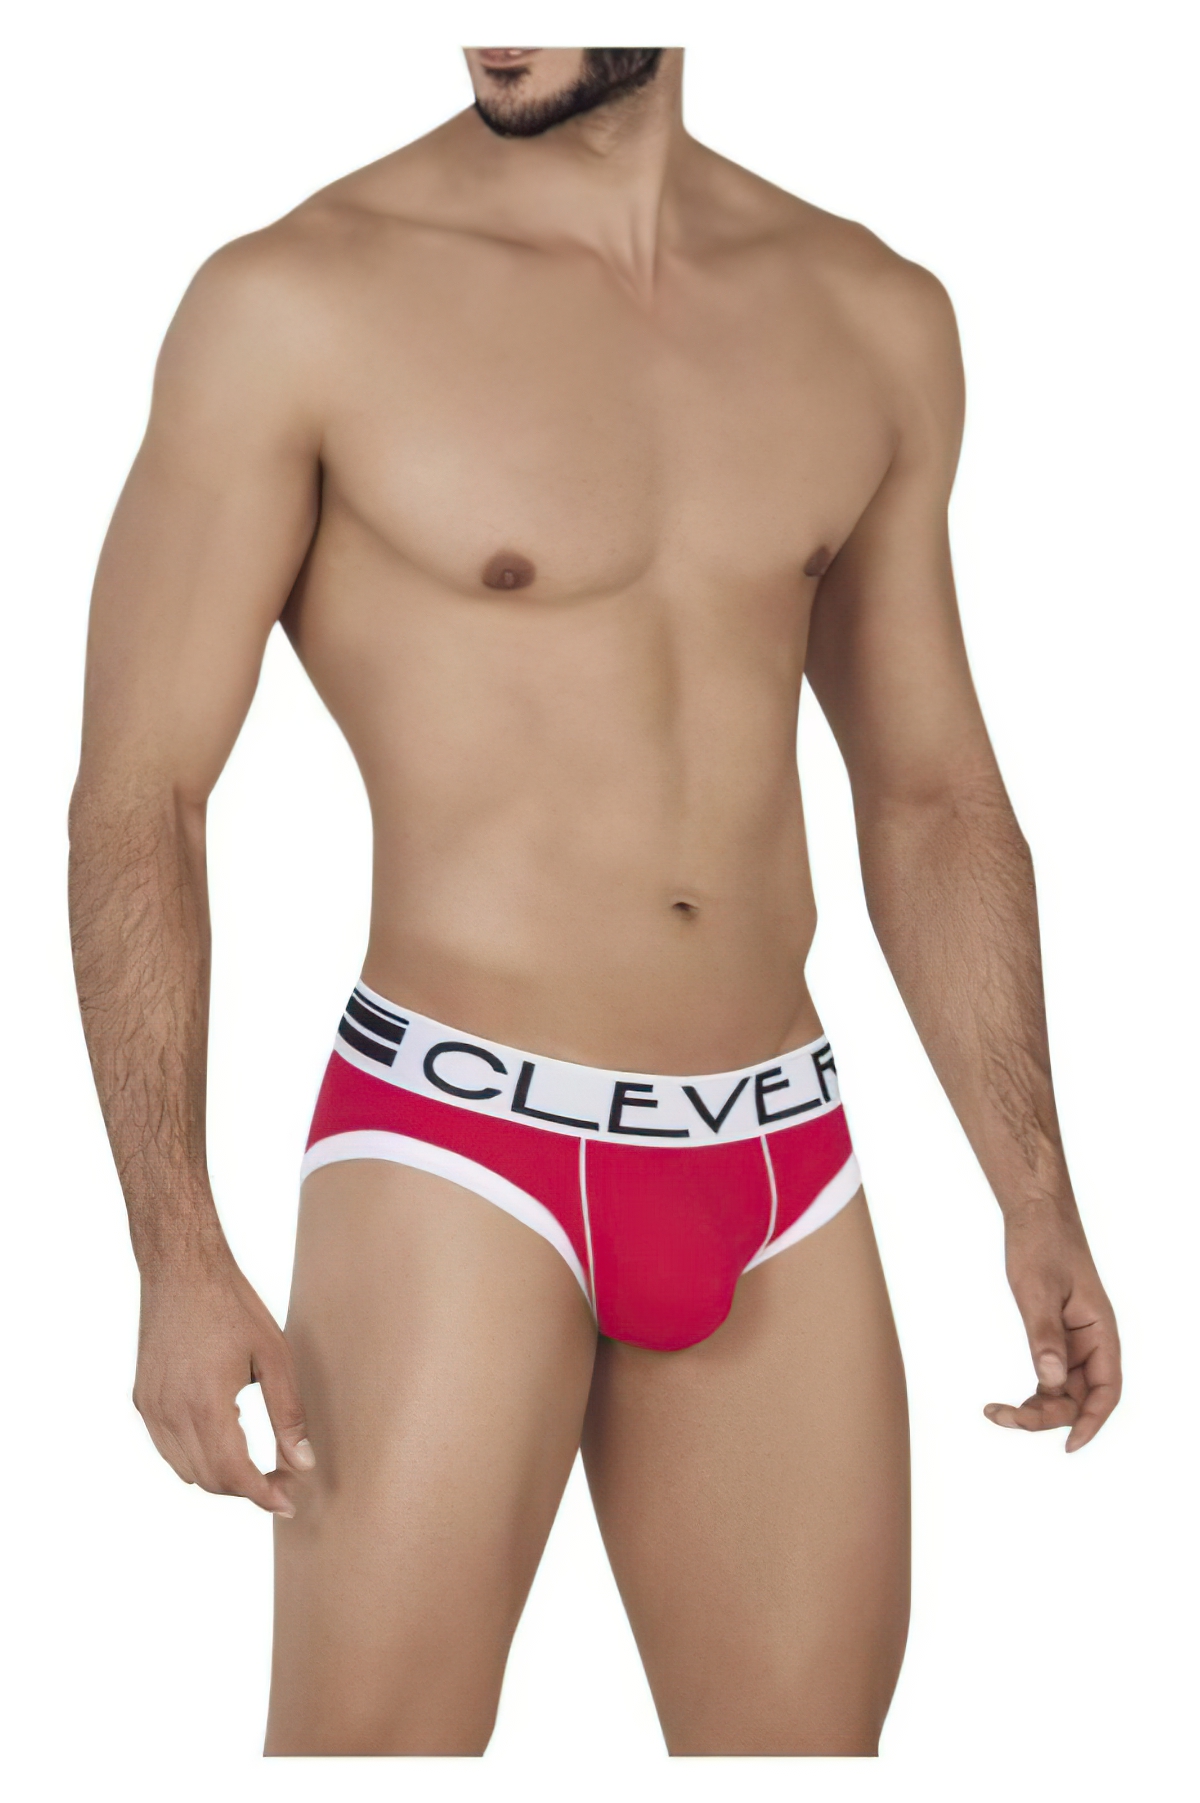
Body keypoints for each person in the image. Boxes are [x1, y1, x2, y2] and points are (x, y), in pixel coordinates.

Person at [68, 45, 1121, 1757]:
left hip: (780, 1158)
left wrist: (1035, 1185)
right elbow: (142, 795)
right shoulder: (300, 304)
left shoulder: (869, 314)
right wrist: (172, 1245)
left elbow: (930, 794)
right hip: (455, 1149)